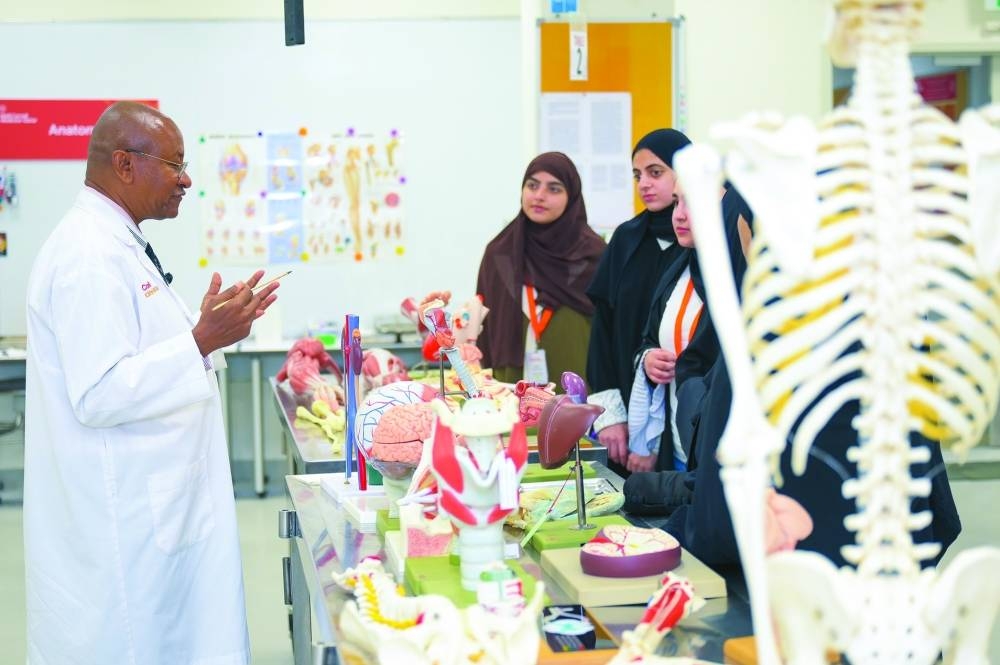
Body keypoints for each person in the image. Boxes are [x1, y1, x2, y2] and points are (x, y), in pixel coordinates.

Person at [23, 101, 279, 664]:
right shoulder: (86, 256)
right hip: (126, 520)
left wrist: (205, 330)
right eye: (174, 164)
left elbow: (139, 355)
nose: (187, 180)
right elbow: (98, 393)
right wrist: (201, 341)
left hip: (156, 503)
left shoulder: (118, 243)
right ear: (125, 164)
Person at [625, 183, 752, 476]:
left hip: (718, 451)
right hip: (677, 442)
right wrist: (648, 359)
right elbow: (649, 339)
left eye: (692, 203)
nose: (679, 215)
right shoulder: (678, 269)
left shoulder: (734, 281)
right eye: (676, 202)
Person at [585, 129, 692, 472]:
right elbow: (602, 332)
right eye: (637, 175)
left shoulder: (699, 242)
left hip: (683, 414)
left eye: (655, 172)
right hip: (627, 415)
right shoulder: (626, 240)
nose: (644, 183)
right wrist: (611, 416)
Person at [476, 152, 605, 385]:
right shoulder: (500, 253)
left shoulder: (593, 255)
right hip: (511, 388)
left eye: (554, 189)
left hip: (577, 387)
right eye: (532, 185)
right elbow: (484, 328)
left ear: (572, 197)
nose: (539, 196)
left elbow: (611, 331)